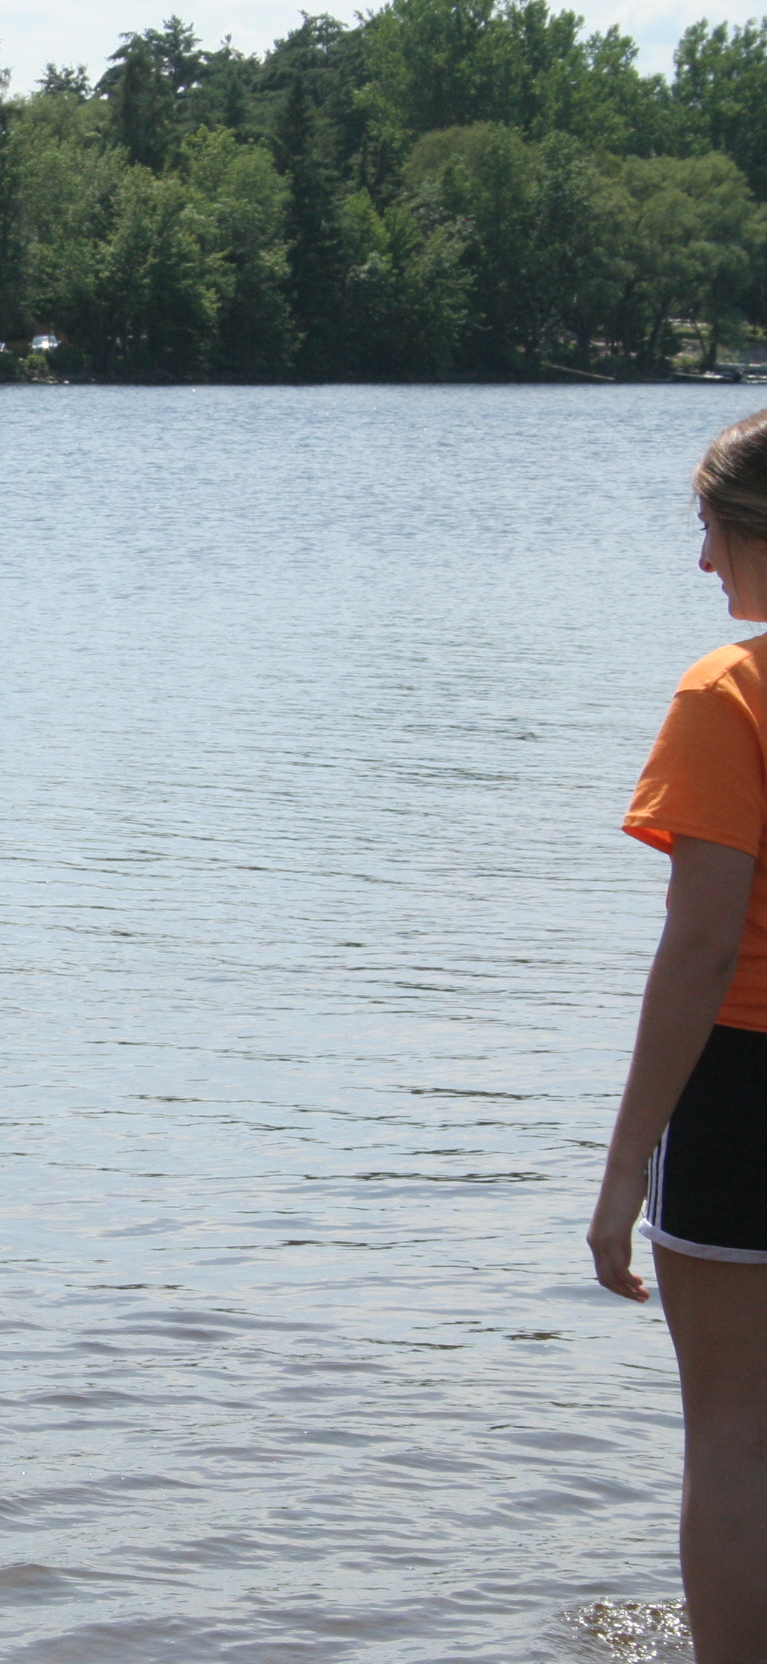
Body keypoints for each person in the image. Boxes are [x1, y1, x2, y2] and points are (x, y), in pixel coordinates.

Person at [589, 408, 767, 1663]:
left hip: (746, 1082)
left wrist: (619, 1172)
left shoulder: (727, 693)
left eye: (708, 527)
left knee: (736, 1430)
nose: (703, 560)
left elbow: (701, 947)